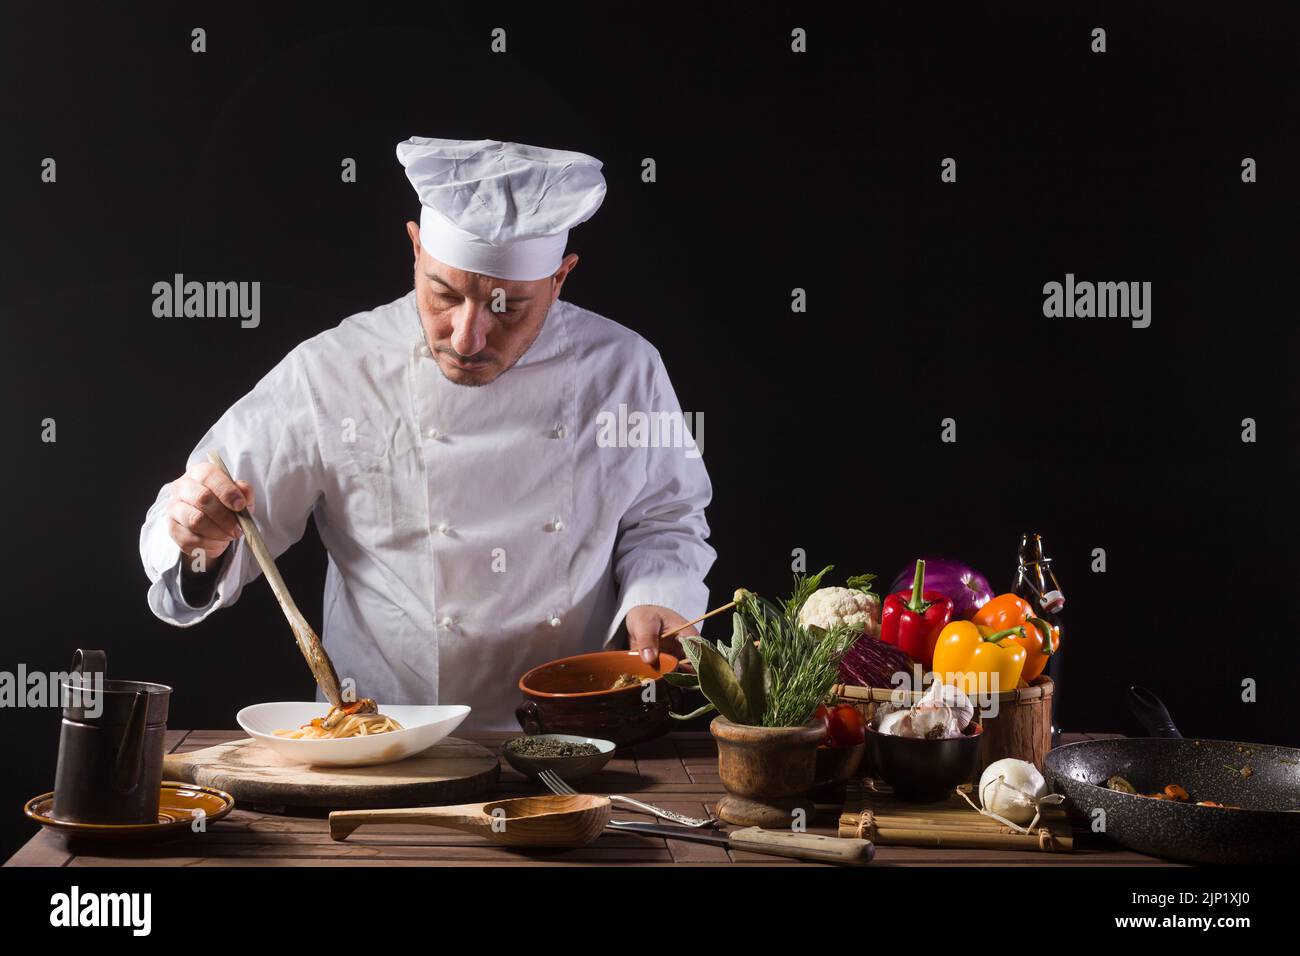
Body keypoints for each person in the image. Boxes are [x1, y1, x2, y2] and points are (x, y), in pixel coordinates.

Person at [138, 136, 714, 729]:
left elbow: (667, 516)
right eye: (443, 293)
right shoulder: (335, 369)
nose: (467, 337)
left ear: (560, 278)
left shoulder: (624, 368)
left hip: (571, 740)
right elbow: (201, 534)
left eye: (506, 307)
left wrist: (660, 594)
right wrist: (199, 543)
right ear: (415, 248)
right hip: (380, 740)